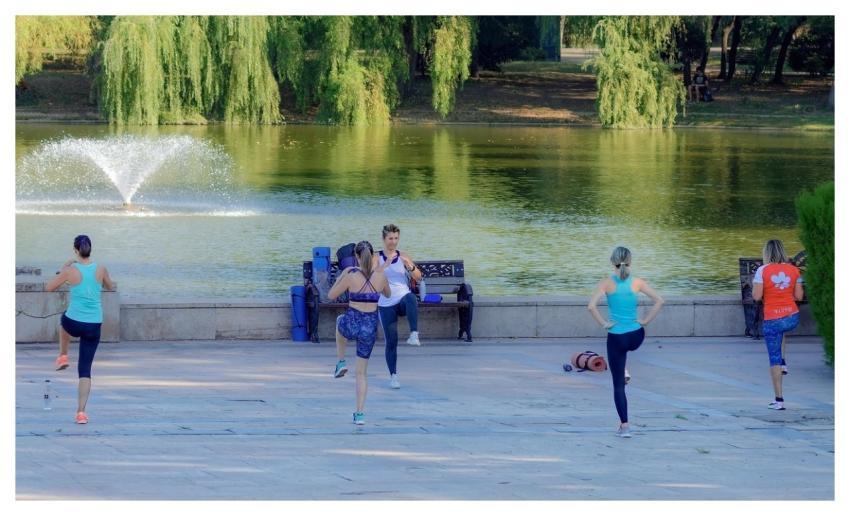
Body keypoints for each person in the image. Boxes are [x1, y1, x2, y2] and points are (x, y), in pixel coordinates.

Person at [588, 246, 664, 438]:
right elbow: (660, 300)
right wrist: (645, 321)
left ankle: (625, 427)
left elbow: (591, 307)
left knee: (618, 385)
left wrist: (605, 324)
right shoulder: (637, 282)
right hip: (637, 336)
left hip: (617, 337)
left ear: (612, 261)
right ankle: (623, 369)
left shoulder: (606, 283)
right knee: (623, 357)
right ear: (630, 261)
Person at [45, 235, 115, 424]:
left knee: (63, 320)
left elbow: (49, 287)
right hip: (94, 325)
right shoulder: (100, 268)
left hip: (73, 322)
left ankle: (63, 355)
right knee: (85, 370)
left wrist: (64, 268)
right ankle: (81, 413)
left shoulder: (70, 271)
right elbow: (110, 286)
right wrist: (104, 282)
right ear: (90, 249)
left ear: (76, 251)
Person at [329, 240, 391, 425]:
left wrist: (344, 275)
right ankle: (359, 414)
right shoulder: (381, 276)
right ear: (372, 256)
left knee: (340, 322)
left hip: (352, 322)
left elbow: (331, 295)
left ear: (356, 257)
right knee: (361, 374)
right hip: (369, 326)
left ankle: (340, 362)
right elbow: (387, 294)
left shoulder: (351, 274)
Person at [751, 239, 804, 411]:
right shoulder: (794, 271)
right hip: (792, 317)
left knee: (773, 359)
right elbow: (799, 297)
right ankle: (784, 361)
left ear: (766, 253)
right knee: (782, 329)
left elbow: (757, 297)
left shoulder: (762, 271)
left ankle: (779, 400)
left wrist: (760, 286)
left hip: (773, 320)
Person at [374, 223, 423, 390]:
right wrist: (386, 263)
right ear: (383, 239)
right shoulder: (377, 256)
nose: (393, 242)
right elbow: (373, 275)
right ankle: (393, 376)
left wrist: (410, 266)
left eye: (396, 238)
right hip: (386, 302)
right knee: (391, 341)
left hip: (402, 297)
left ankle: (414, 334)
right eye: (390, 238)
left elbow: (418, 277)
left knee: (410, 297)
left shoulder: (403, 255)